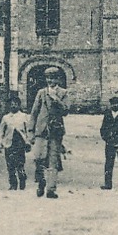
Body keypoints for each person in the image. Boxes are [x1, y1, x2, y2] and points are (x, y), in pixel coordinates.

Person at [28, 69, 68, 199]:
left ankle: (51, 189)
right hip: (41, 131)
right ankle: (41, 183)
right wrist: (30, 131)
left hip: (55, 132)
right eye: (48, 78)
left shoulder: (63, 93)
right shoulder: (41, 93)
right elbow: (34, 113)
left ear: (58, 79)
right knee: (39, 159)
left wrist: (56, 99)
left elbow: (66, 111)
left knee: (53, 160)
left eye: (53, 78)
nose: (50, 81)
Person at [0, 94, 31, 191]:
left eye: (16, 104)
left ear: (19, 105)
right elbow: (1, 131)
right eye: (11, 104)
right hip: (9, 143)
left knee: (20, 163)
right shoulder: (6, 118)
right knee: (10, 164)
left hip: (20, 143)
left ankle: (22, 179)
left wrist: (28, 142)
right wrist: (0, 142)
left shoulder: (24, 116)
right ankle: (13, 184)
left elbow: (28, 130)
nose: (13, 106)